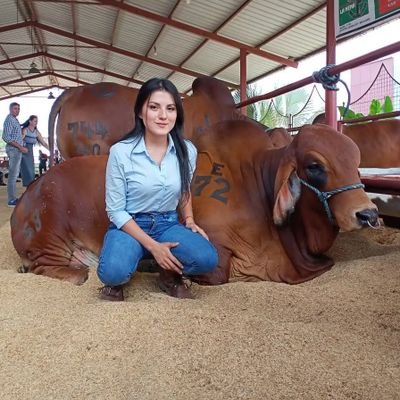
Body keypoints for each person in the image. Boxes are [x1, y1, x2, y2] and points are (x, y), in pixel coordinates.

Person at [97, 78, 218, 301]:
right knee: (112, 272)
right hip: (129, 225)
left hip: (166, 224)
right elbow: (115, 211)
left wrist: (189, 220)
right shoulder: (121, 152)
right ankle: (132, 261)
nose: (163, 115)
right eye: (154, 107)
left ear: (177, 114)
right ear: (141, 112)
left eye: (170, 109)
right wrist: (154, 247)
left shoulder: (187, 150)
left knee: (207, 259)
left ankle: (166, 274)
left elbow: (184, 191)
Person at [2, 102, 28, 207]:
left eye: (18, 108)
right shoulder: (9, 120)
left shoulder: (15, 120)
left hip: (17, 149)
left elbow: (15, 136)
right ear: (10, 109)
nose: (17, 110)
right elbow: (6, 137)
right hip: (14, 150)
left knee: (15, 174)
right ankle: (11, 200)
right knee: (13, 175)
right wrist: (20, 147)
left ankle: (13, 198)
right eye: (15, 108)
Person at [20, 115, 49, 187]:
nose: (36, 122)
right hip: (24, 150)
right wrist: (22, 148)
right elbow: (19, 140)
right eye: (35, 121)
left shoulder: (36, 132)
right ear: (30, 121)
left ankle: (29, 186)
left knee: (31, 169)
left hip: (30, 151)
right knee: (27, 169)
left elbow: (43, 143)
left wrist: (51, 149)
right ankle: (28, 185)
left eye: (37, 121)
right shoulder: (25, 130)